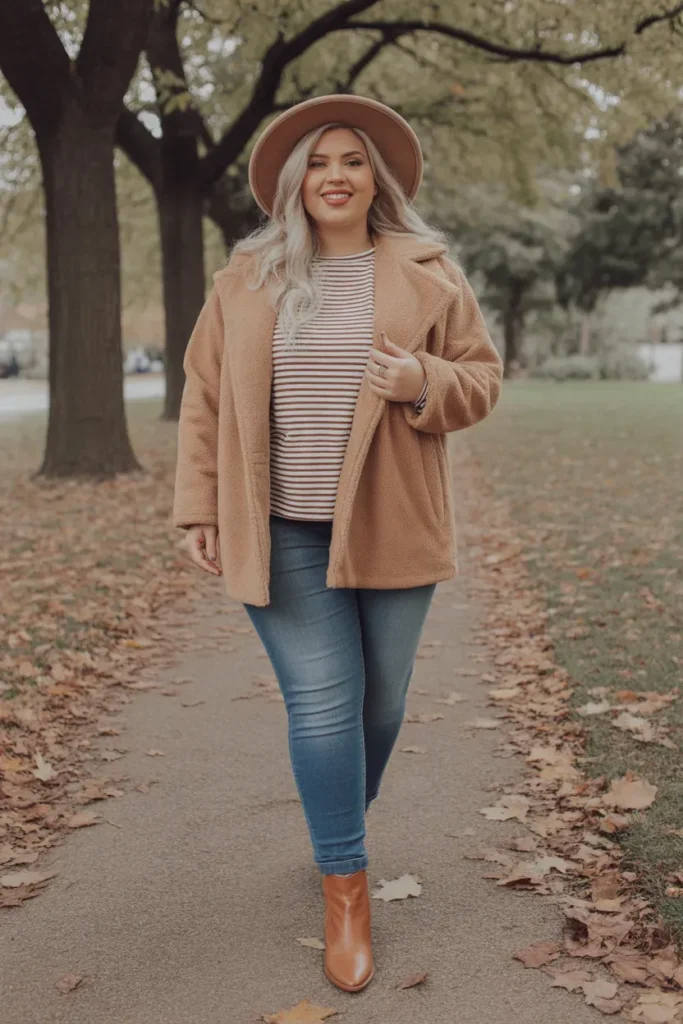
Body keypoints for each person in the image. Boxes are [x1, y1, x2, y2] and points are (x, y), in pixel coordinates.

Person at [173, 93, 503, 993]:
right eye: (317, 163)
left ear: (374, 179)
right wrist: (197, 505)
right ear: (294, 183)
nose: (334, 176)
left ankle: (335, 818)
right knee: (324, 703)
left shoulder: (428, 268)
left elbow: (481, 382)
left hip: (392, 519)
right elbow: (204, 397)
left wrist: (418, 378)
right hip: (279, 526)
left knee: (381, 705)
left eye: (351, 161)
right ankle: (344, 890)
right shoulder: (245, 278)